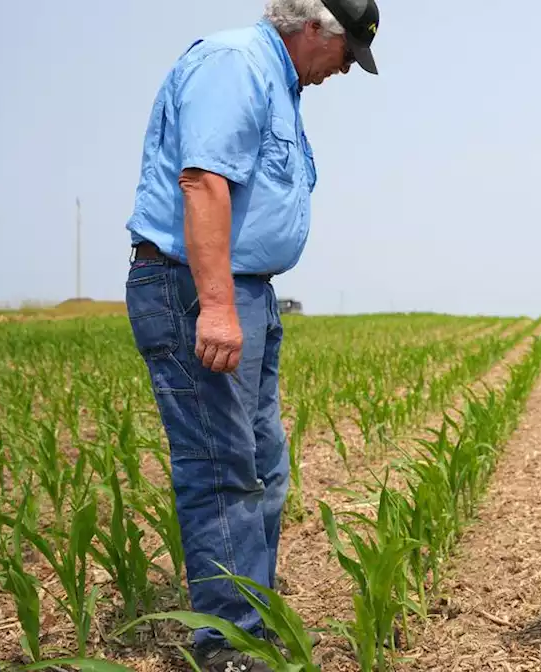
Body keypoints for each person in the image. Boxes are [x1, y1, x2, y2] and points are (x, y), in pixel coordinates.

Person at [122, 0, 381, 669]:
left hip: (248, 293)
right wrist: (215, 307)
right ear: (313, 30)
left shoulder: (277, 82)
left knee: (264, 468)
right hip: (194, 288)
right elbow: (204, 183)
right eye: (348, 52)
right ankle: (229, 644)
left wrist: (240, 301)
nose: (347, 70)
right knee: (222, 469)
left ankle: (251, 618)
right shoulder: (236, 64)